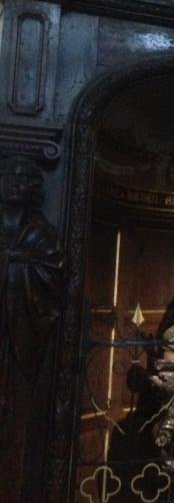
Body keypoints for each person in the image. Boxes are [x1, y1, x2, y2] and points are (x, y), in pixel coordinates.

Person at [0, 156, 65, 502]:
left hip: (22, 337)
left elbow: (53, 272)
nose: (15, 182)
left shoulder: (42, 233)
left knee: (17, 423)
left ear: (35, 187)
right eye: (10, 174)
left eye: (24, 176)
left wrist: (11, 264)